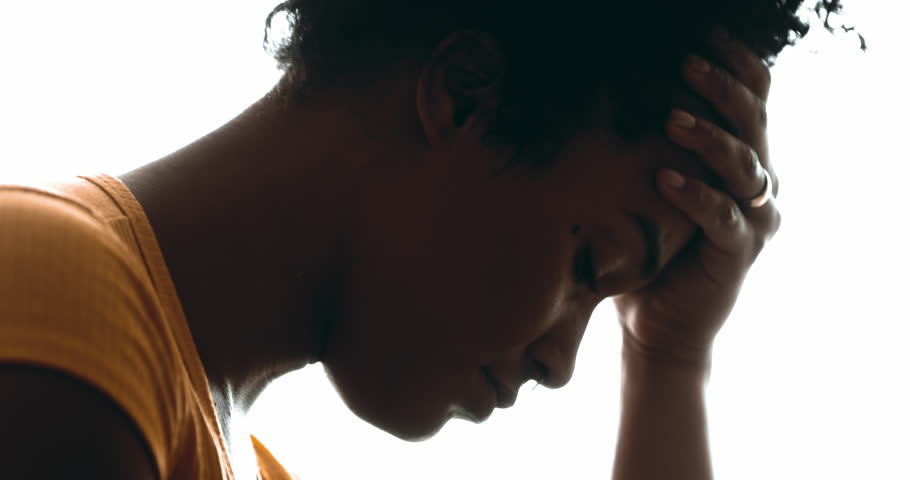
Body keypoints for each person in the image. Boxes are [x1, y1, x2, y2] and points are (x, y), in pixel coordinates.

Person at [0, 1, 844, 479]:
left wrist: (668, 358)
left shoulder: (208, 443)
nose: (560, 365)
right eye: (594, 267)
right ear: (466, 96)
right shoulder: (59, 324)